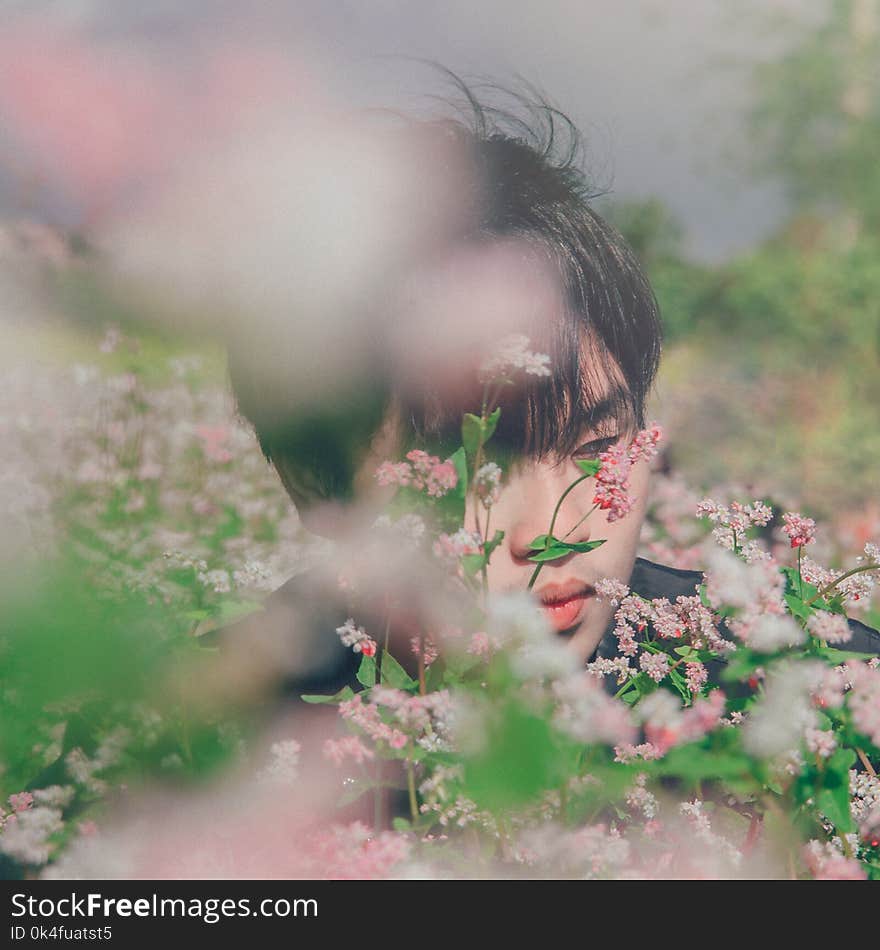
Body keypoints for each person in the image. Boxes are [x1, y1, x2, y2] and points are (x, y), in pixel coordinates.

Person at [222, 81, 879, 700]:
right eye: (471, 470)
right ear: (313, 482)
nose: (556, 532)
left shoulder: (827, 695)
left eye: (596, 446)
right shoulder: (195, 750)